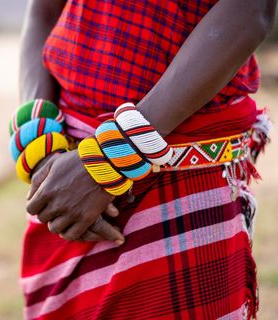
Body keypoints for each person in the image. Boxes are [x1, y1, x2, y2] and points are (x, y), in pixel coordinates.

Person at [17, 0, 276, 319]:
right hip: (65, 179)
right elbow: (43, 11)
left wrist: (109, 158)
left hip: (182, 180)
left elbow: (250, 10)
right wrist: (43, 154)